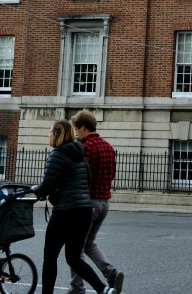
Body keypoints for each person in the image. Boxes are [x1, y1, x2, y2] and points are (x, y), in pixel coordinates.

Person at [34, 119, 117, 294]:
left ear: (57, 134)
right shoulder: (79, 154)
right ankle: (103, 290)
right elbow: (88, 179)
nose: (47, 135)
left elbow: (47, 185)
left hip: (65, 211)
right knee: (73, 258)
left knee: (50, 258)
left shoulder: (57, 155)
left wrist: (36, 190)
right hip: (84, 211)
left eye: (50, 132)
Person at [70, 109, 123, 294]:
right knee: (89, 243)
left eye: (77, 129)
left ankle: (77, 288)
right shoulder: (108, 146)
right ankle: (110, 272)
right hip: (104, 203)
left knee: (75, 250)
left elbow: (81, 176)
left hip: (88, 203)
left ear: (84, 127)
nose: (76, 134)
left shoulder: (86, 148)